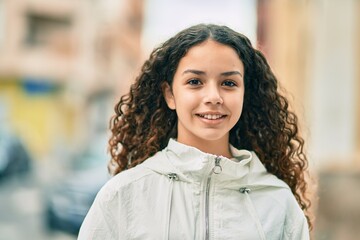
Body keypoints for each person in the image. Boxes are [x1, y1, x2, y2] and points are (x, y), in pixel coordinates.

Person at [78, 24, 312, 239]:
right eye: (195, 82)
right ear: (170, 94)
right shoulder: (124, 195)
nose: (213, 97)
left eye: (229, 83)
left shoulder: (278, 203)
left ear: (245, 94)